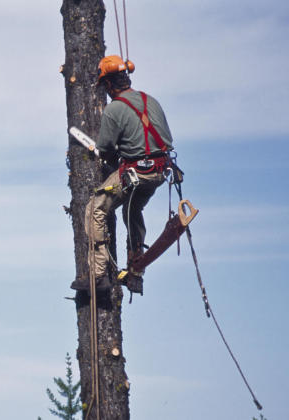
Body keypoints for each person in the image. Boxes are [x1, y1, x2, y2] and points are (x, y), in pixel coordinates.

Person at [70, 55, 174, 296]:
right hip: (158, 172)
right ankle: (136, 273)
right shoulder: (151, 101)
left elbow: (105, 149)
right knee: (133, 209)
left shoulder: (114, 109)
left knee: (95, 208)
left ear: (108, 84)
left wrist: (115, 158)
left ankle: (98, 275)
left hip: (135, 172)